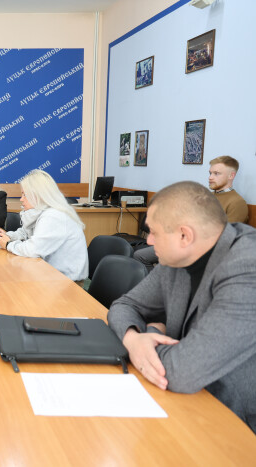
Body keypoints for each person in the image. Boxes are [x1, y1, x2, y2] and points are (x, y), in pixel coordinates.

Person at [107, 181, 256, 434]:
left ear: (184, 236)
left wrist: (151, 336)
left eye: (153, 233)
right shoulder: (178, 258)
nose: (149, 241)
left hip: (237, 422)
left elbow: (182, 371)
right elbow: (125, 305)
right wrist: (134, 339)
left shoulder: (247, 268)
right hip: (187, 400)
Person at [134, 155, 248, 271]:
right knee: (140, 255)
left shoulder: (237, 202)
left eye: (216, 174)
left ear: (231, 176)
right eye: (210, 173)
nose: (210, 177)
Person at [0, 169, 88, 282]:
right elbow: (25, 232)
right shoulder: (41, 211)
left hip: (67, 281)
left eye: (25, 195)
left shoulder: (54, 216)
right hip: (50, 273)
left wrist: (8, 244)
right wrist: (8, 236)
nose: (21, 199)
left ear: (39, 195)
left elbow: (33, 249)